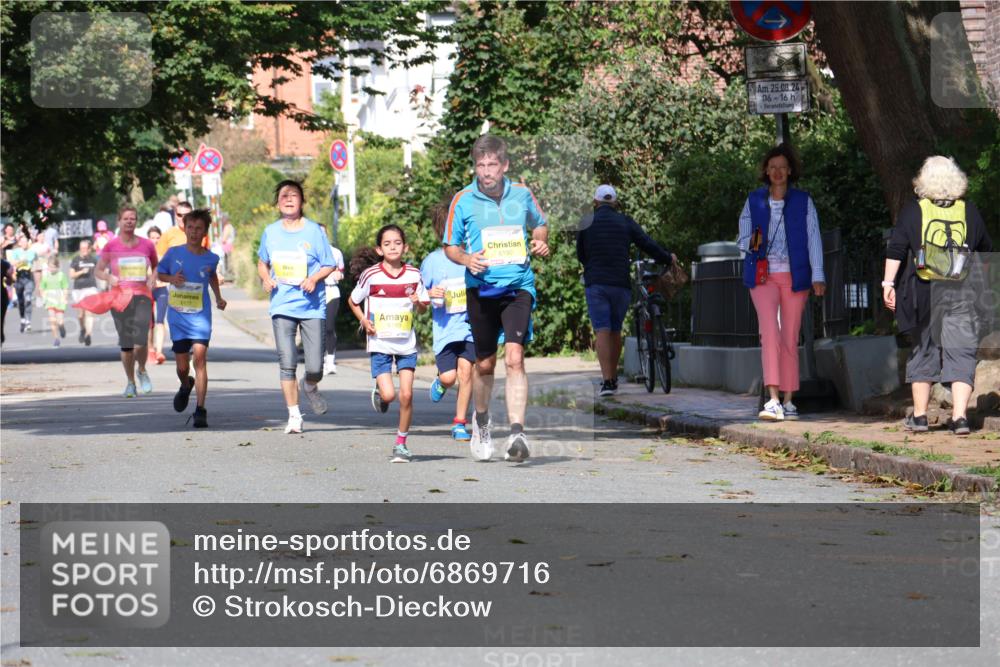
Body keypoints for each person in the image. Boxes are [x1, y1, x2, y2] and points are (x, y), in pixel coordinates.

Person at [443, 134, 549, 462]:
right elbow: (451, 246)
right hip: (481, 289)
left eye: (492, 165)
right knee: (485, 363)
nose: (486, 171)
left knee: (515, 357)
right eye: (480, 165)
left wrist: (539, 242)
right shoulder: (462, 200)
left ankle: (517, 431)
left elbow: (540, 224)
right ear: (475, 167)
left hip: (518, 285)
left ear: (505, 165)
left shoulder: (522, 194)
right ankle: (482, 420)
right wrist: (466, 260)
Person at [883, 156, 993, 436]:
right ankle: (959, 419)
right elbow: (984, 251)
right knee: (961, 351)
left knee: (924, 349)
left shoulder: (914, 211)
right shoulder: (968, 211)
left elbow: (896, 249)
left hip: (923, 291)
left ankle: (919, 417)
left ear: (924, 180)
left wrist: (888, 283)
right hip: (960, 290)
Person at [738, 144, 825, 421]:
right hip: (762, 277)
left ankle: (789, 399)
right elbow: (743, 240)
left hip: (795, 276)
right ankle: (773, 399)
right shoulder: (754, 200)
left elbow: (814, 238)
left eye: (782, 167)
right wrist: (756, 243)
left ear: (790, 171)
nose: (777, 172)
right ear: (766, 170)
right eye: (772, 167)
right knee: (769, 333)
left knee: (789, 335)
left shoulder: (803, 201)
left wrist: (818, 275)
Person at [577, 184, 676, 397]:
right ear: (615, 202)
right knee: (615, 329)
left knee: (602, 330)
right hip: (620, 284)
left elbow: (581, 254)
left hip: (596, 283)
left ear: (595, 202)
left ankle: (607, 383)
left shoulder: (586, 223)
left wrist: (592, 266)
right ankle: (613, 378)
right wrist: (668, 258)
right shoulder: (625, 221)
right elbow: (647, 244)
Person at [257, 180, 335, 434]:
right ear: (277, 202)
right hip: (282, 304)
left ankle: (310, 385)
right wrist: (266, 279)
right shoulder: (271, 231)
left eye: (294, 195)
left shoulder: (314, 232)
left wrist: (313, 278)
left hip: (312, 307)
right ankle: (293, 415)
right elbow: (262, 262)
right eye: (283, 195)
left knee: (315, 366)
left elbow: (329, 264)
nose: (289, 199)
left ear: (302, 201)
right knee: (287, 361)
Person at [348, 224, 430, 462]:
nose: (393, 247)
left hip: (406, 344)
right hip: (380, 344)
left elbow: (423, 309)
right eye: (387, 244)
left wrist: (419, 302)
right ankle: (381, 394)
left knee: (407, 395)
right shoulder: (371, 275)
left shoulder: (414, 274)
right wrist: (364, 320)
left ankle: (401, 443)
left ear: (405, 247)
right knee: (391, 395)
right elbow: (353, 301)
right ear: (379, 249)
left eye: (397, 243)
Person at [157, 209, 226, 428]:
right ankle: (186, 385)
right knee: (182, 367)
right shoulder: (173, 252)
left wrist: (219, 298)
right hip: (178, 317)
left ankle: (200, 409)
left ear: (205, 232)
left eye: (198, 229)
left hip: (200, 318)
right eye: (190, 228)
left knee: (199, 360)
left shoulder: (211, 258)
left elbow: (213, 276)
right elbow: (159, 274)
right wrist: (171, 278)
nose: (194, 232)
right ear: (184, 229)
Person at [421, 199, 475, 441]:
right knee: (449, 377)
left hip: (470, 327)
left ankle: (459, 422)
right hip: (445, 330)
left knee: (467, 373)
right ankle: (441, 382)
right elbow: (420, 300)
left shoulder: (471, 256)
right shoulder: (432, 262)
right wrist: (429, 295)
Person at [94, 205, 159, 397]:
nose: (129, 221)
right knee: (127, 344)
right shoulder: (111, 245)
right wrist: (109, 278)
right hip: (120, 298)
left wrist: (153, 277)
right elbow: (98, 269)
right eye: (126, 218)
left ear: (136, 221)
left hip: (142, 297)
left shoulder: (147, 245)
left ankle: (142, 370)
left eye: (133, 218)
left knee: (141, 341)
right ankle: (130, 382)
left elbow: (156, 266)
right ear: (119, 222)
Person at [322, 229, 345, 375]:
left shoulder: (336, 252)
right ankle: (318, 359)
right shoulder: (308, 252)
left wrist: (339, 275)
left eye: (324, 233)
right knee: (317, 328)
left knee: (329, 327)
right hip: (314, 293)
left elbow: (341, 272)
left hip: (331, 291)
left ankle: (330, 361)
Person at [69, 239, 99, 346]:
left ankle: (88, 335)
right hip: (78, 289)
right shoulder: (76, 260)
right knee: (80, 314)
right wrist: (82, 271)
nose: (84, 251)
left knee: (89, 311)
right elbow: (71, 275)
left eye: (86, 249)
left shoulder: (93, 259)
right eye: (82, 249)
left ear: (90, 249)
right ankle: (82, 329)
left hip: (91, 288)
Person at [147, 226, 168, 364]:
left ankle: (159, 351)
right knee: (149, 322)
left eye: (157, 237)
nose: (155, 240)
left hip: (162, 289)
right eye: (152, 237)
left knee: (160, 320)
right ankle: (150, 350)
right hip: (147, 290)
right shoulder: (144, 254)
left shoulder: (166, 254)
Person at [9, 235, 36, 332]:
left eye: (26, 242)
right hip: (19, 277)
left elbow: (27, 261)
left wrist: (18, 262)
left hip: (28, 276)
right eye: (22, 242)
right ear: (19, 243)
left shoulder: (31, 252)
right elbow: (12, 262)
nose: (24, 244)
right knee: (21, 301)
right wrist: (19, 262)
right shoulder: (16, 252)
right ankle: (22, 319)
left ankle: (28, 321)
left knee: (28, 298)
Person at [40, 255, 68, 347]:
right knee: (52, 320)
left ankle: (61, 326)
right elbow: (42, 288)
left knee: (59, 320)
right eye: (49, 267)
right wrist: (43, 296)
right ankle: (56, 339)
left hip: (59, 300)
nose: (51, 269)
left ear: (57, 267)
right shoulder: (45, 276)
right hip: (49, 300)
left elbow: (65, 287)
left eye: (53, 267)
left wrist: (65, 297)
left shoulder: (61, 275)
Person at [1, 258, 13, 344]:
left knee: (1, 318)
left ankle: (0, 332)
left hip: (1, 294)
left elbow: (9, 281)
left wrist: (9, 278)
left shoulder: (3, 264)